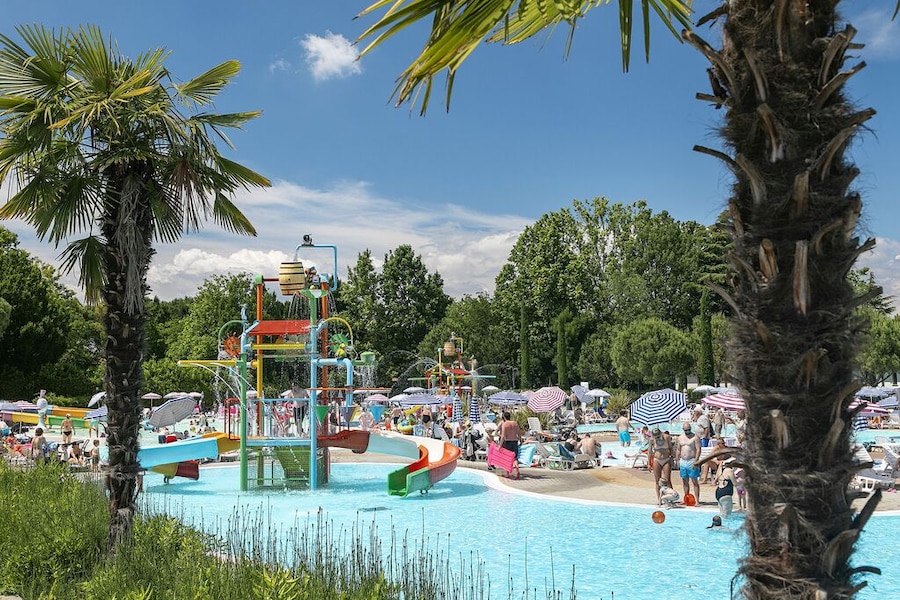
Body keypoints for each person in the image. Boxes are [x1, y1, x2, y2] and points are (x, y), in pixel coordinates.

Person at [675, 421, 702, 504]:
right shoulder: (680, 437)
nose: (687, 431)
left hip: (691, 460)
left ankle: (697, 500)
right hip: (683, 461)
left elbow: (698, 449)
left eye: (689, 430)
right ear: (683, 429)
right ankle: (686, 499)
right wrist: (677, 459)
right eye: (686, 430)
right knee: (685, 481)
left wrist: (696, 461)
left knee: (694, 481)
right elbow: (678, 449)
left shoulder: (695, 437)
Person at [649, 426, 674, 504]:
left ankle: (670, 498)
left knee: (667, 480)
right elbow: (649, 452)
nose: (657, 438)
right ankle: (659, 499)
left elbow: (671, 448)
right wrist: (649, 463)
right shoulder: (652, 439)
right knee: (657, 481)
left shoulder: (666, 437)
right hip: (657, 460)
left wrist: (672, 458)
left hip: (666, 459)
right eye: (655, 437)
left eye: (658, 436)